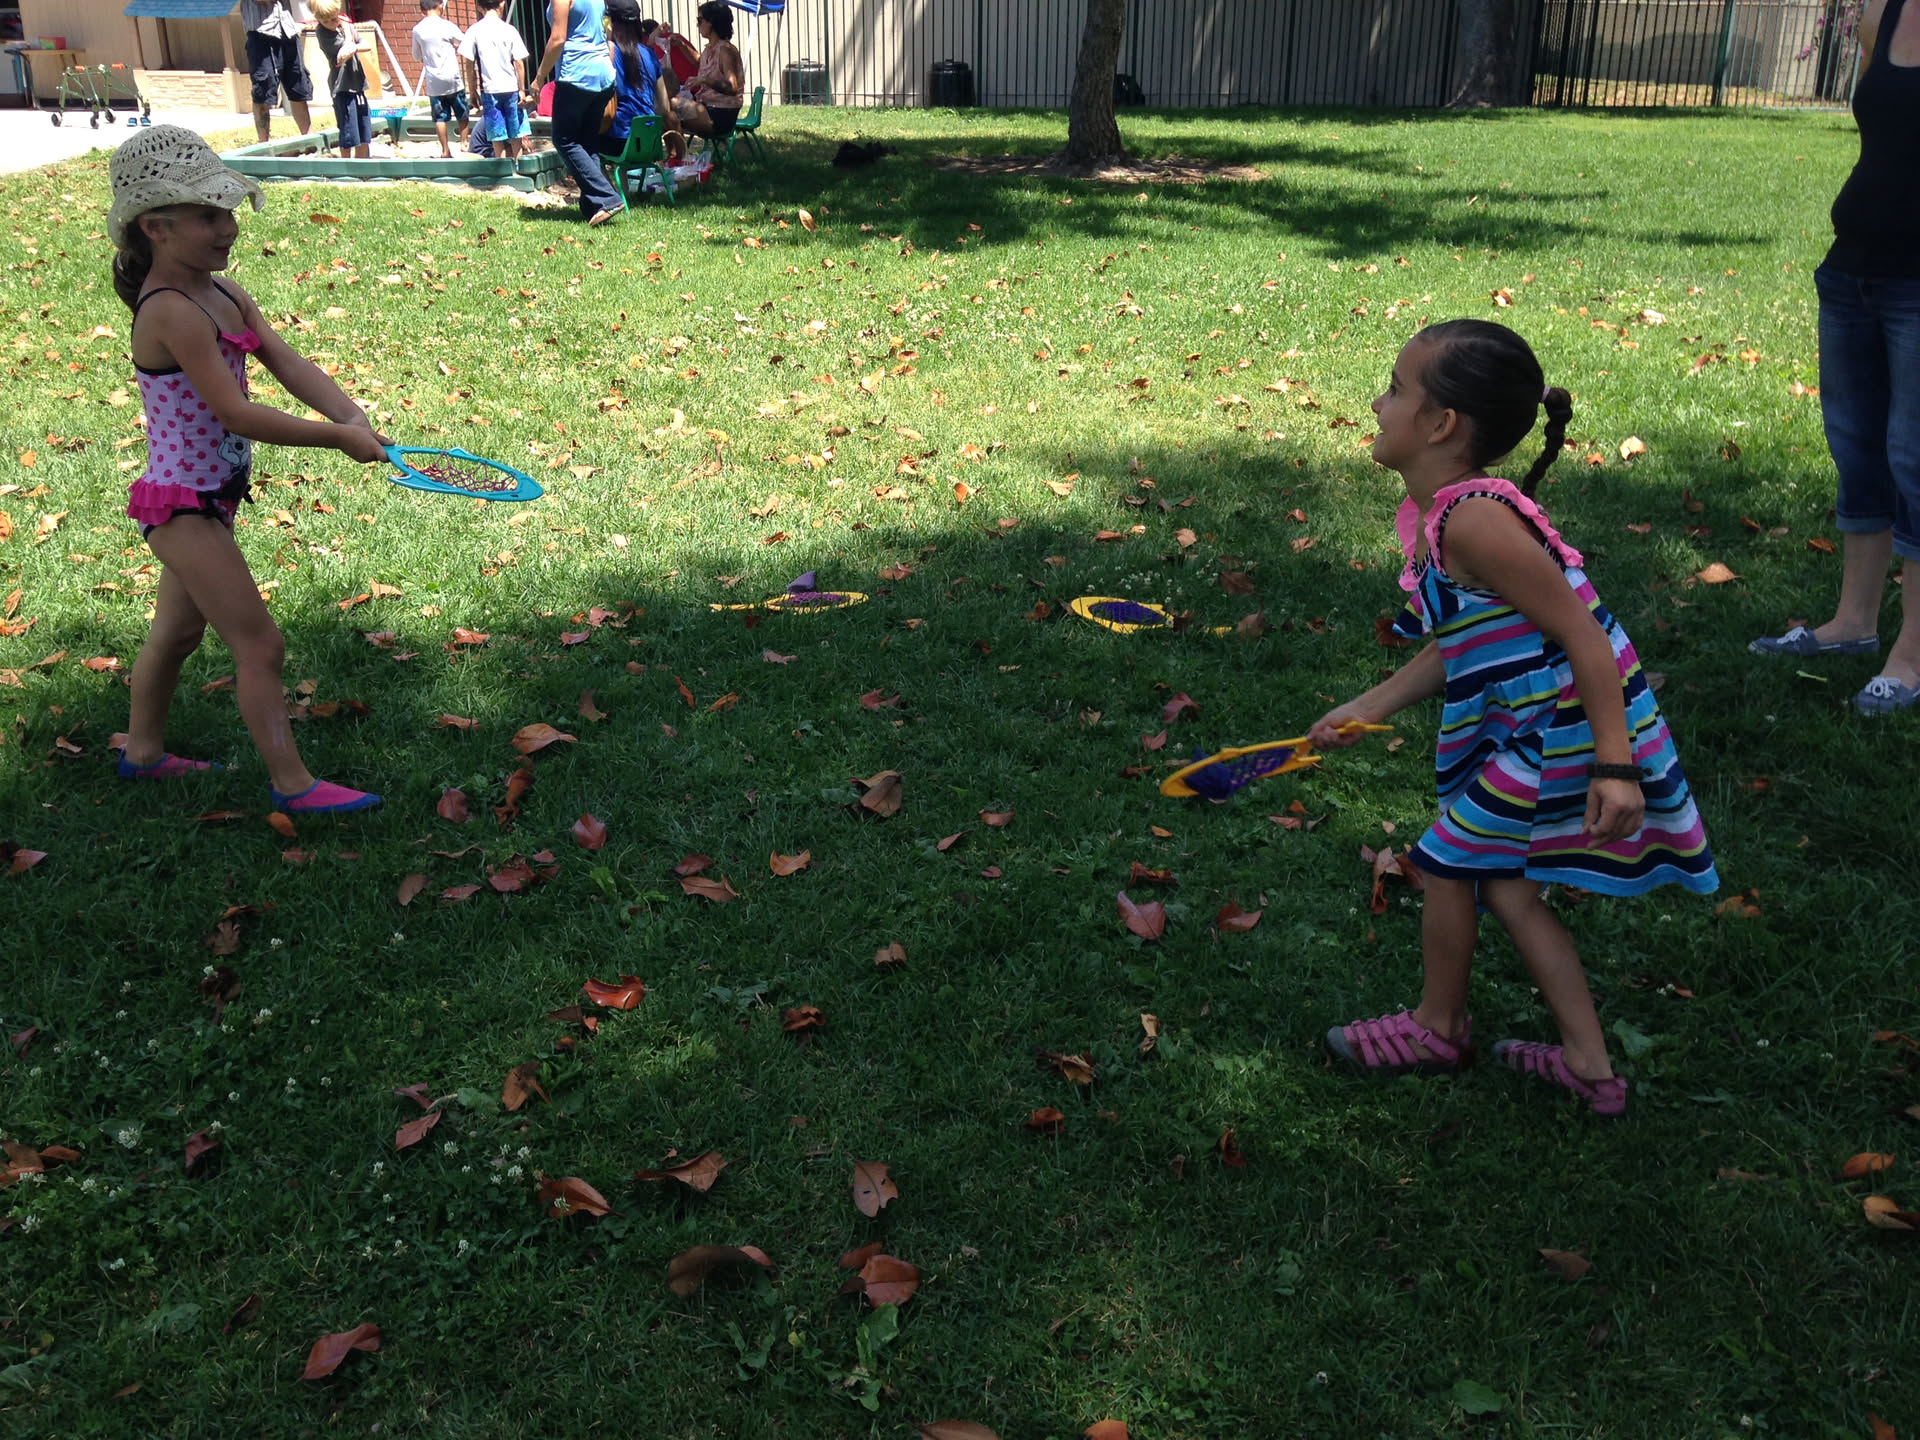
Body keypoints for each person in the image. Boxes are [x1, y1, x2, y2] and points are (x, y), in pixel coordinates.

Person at [1311, 320, 1718, 1117]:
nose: (1377, 403)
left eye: (1394, 389)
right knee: (1504, 885)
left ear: (1440, 424)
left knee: (1447, 861)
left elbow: (1584, 636)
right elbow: (1460, 641)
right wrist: (1367, 706)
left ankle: (1436, 1028)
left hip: (1565, 732)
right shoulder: (1445, 515)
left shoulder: (1475, 520)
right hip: (1546, 727)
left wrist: (1615, 767)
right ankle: (1590, 1067)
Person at [106, 126, 386, 815]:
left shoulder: (222, 293)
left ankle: (142, 754)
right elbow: (234, 412)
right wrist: (334, 440)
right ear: (156, 227)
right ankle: (293, 785)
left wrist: (351, 414)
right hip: (182, 506)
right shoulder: (170, 312)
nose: (228, 227)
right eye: (209, 216)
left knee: (176, 633)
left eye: (228, 211)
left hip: (213, 495)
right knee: (260, 644)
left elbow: (286, 362)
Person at [1748, 0, 1920, 716]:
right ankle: (1853, 622)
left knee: (1915, 457)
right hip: (1854, 271)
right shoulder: (1885, 13)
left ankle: (1913, 653)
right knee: (1858, 451)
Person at [528, 0, 622, 225]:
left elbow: (557, 39)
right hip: (603, 74)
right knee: (587, 142)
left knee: (564, 139)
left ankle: (607, 198)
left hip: (577, 74)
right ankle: (594, 206)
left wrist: (539, 78)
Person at [597, 0, 683, 166]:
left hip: (619, 142)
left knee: (579, 142)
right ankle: (624, 183)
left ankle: (604, 184)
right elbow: (664, 108)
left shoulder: (608, 53)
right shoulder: (650, 55)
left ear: (610, 23)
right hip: (650, 142)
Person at [460, 0, 531, 163]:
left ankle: (502, 167)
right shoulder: (509, 30)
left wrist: (472, 89)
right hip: (511, 88)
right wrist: (522, 89)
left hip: (490, 90)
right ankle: (518, 165)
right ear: (502, 4)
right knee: (516, 132)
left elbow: (469, 64)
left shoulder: (474, 30)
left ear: (479, 6)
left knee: (496, 133)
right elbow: (519, 62)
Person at [240, 0, 314, 146]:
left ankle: (310, 141)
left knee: (299, 87)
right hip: (260, 33)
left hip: (287, 29)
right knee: (263, 91)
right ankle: (264, 146)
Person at [670, 1, 743, 140]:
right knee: (667, 111)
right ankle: (678, 151)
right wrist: (681, 46)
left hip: (720, 114)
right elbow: (699, 61)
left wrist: (705, 80)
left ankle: (678, 151)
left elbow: (732, 87)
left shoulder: (725, 51)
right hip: (708, 108)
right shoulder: (711, 48)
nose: (698, 25)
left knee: (669, 106)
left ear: (711, 23)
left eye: (700, 20)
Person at [310, 0, 373, 161]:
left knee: (364, 128)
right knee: (348, 130)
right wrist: (347, 31)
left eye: (333, 18)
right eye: (326, 21)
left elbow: (366, 44)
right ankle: (346, 164)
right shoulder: (323, 33)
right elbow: (346, 48)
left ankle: (362, 163)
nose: (331, 23)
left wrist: (352, 39)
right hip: (342, 87)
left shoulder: (345, 27)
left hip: (358, 84)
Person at [412, 0, 474, 160]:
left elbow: (416, 56)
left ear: (422, 9)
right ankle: (464, 142)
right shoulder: (447, 26)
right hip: (452, 78)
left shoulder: (418, 30)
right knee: (462, 112)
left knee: (440, 117)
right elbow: (465, 42)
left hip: (434, 82)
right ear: (440, 5)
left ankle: (445, 150)